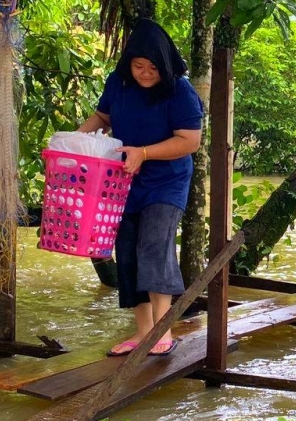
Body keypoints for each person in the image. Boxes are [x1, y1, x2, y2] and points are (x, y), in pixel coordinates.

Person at [78, 18, 203, 356]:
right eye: (138, 66)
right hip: (121, 183)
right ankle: (143, 333)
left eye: (152, 68)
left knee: (154, 247)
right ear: (127, 64)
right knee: (129, 252)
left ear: (165, 66)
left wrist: (144, 153)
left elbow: (189, 141)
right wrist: (75, 140)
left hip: (166, 183)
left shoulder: (180, 91)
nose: (145, 73)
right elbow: (102, 118)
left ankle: (163, 332)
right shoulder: (118, 83)